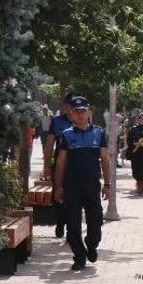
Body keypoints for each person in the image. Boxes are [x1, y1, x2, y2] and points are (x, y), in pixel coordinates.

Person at [53, 96, 111, 272]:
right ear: (71, 113)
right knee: (73, 224)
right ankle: (79, 257)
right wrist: (58, 187)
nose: (80, 115)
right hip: (72, 186)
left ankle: (91, 245)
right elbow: (61, 162)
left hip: (92, 184)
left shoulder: (99, 134)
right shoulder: (66, 135)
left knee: (96, 220)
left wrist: (107, 184)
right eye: (76, 111)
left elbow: (105, 160)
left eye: (83, 111)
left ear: (89, 113)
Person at [45, 94, 75, 238]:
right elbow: (50, 144)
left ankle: (70, 227)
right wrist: (46, 165)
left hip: (76, 163)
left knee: (74, 195)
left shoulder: (81, 120)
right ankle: (60, 222)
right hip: (59, 162)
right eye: (68, 105)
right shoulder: (57, 122)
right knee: (57, 193)